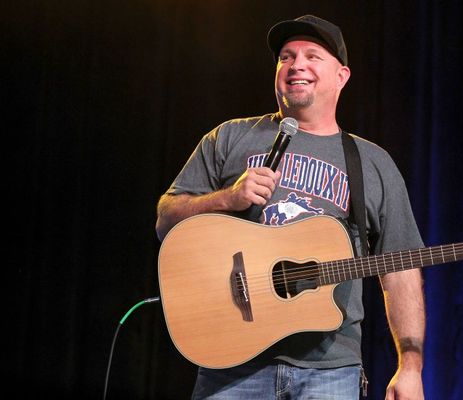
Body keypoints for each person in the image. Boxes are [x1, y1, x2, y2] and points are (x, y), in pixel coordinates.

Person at [155, 14, 426, 400]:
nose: (297, 65)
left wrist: (410, 367)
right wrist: (226, 199)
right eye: (286, 56)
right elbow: (166, 219)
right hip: (231, 365)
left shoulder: (372, 162)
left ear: (341, 76)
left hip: (330, 370)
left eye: (313, 56)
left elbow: (401, 269)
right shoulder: (230, 137)